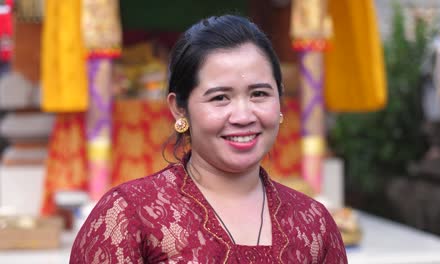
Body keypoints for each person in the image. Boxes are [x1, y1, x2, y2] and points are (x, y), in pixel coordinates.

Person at [70, 14, 347, 263]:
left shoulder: (314, 224)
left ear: (280, 100)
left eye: (259, 94)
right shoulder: (129, 216)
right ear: (180, 108)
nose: (243, 115)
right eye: (220, 98)